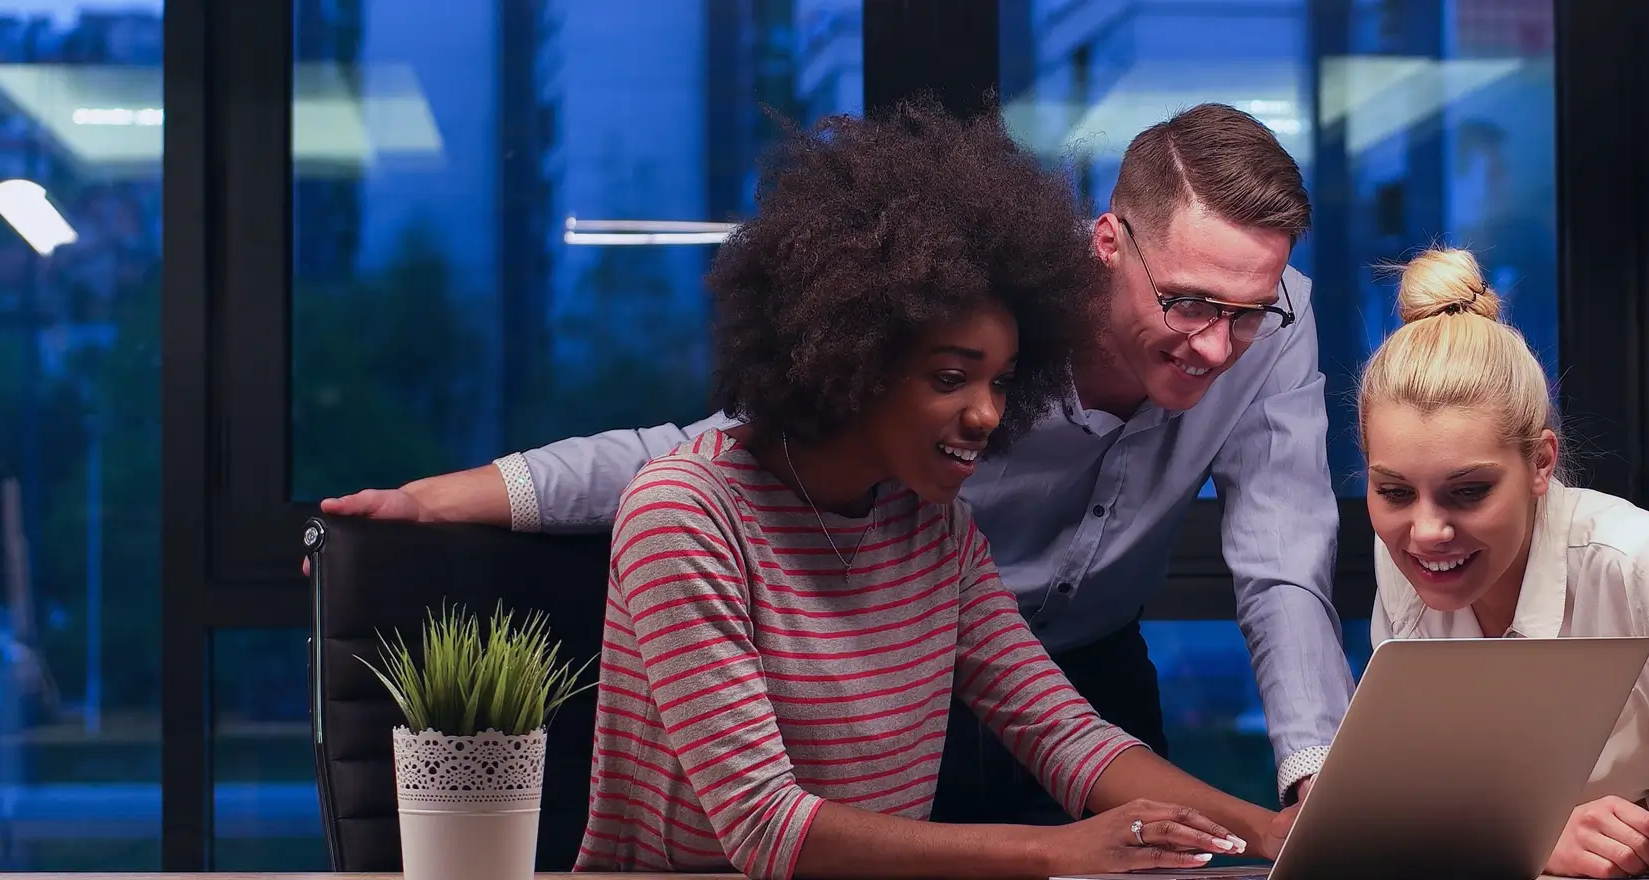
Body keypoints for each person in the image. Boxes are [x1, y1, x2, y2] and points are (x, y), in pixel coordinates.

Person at [323, 103, 1353, 818]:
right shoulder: (989, 320)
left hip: (1076, 674)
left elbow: (1281, 558)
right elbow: (703, 452)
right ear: (1106, 244)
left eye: (1248, 313)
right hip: (902, 677)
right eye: (1189, 304)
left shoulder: (1272, 319)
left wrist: (1310, 795)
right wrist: (446, 496)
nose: (1218, 346)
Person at [576, 100, 1286, 879]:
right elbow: (764, 826)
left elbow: (1064, 734)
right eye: (951, 378)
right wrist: (1056, 850)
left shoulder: (932, 530)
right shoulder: (685, 515)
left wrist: (1262, 831)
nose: (987, 413)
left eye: (1003, 380)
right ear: (854, 357)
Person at [1346, 247, 1649, 878]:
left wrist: (1592, 845)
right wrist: (1525, 840)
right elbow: (1417, 794)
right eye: (1394, 492)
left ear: (1541, 463)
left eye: (1468, 491)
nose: (1426, 532)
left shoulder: (1643, 564)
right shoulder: (1399, 559)